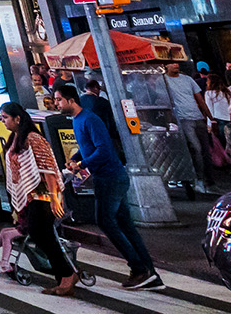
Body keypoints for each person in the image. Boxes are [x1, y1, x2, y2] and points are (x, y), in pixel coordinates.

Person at [56, 82, 161, 289]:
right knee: (125, 225)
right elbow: (88, 147)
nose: (56, 104)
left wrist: (81, 164)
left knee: (105, 221)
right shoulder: (78, 120)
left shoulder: (89, 119)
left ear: (71, 100)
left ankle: (139, 269)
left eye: (59, 100)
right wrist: (75, 159)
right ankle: (149, 273)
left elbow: (103, 149)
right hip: (108, 177)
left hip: (110, 177)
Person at [0, 101, 76, 296]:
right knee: (39, 234)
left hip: (44, 194)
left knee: (42, 234)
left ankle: (67, 275)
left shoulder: (33, 138)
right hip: (32, 195)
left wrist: (54, 198)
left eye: (5, 117)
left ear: (17, 118)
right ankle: (64, 276)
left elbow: (48, 168)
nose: (3, 121)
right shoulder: (16, 138)